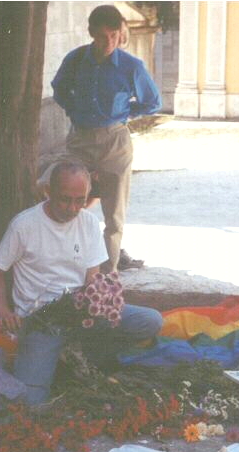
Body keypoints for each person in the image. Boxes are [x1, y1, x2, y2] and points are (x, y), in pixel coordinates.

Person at [0, 162, 163, 405]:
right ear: (48, 191)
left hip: (80, 312)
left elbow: (92, 276)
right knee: (30, 402)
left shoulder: (88, 222)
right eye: (65, 199)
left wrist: (100, 301)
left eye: (80, 200)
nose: (72, 208)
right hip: (42, 320)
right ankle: (61, 358)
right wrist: (4, 312)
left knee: (150, 320)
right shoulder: (24, 225)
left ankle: (81, 354)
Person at [51, 5, 162, 272]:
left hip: (115, 142)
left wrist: (124, 113)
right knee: (64, 200)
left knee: (114, 215)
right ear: (91, 33)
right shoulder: (76, 59)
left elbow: (152, 102)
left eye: (114, 35)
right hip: (80, 139)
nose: (110, 42)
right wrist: (75, 111)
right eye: (103, 36)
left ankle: (108, 276)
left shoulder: (131, 66)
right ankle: (66, 267)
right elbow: (59, 90)